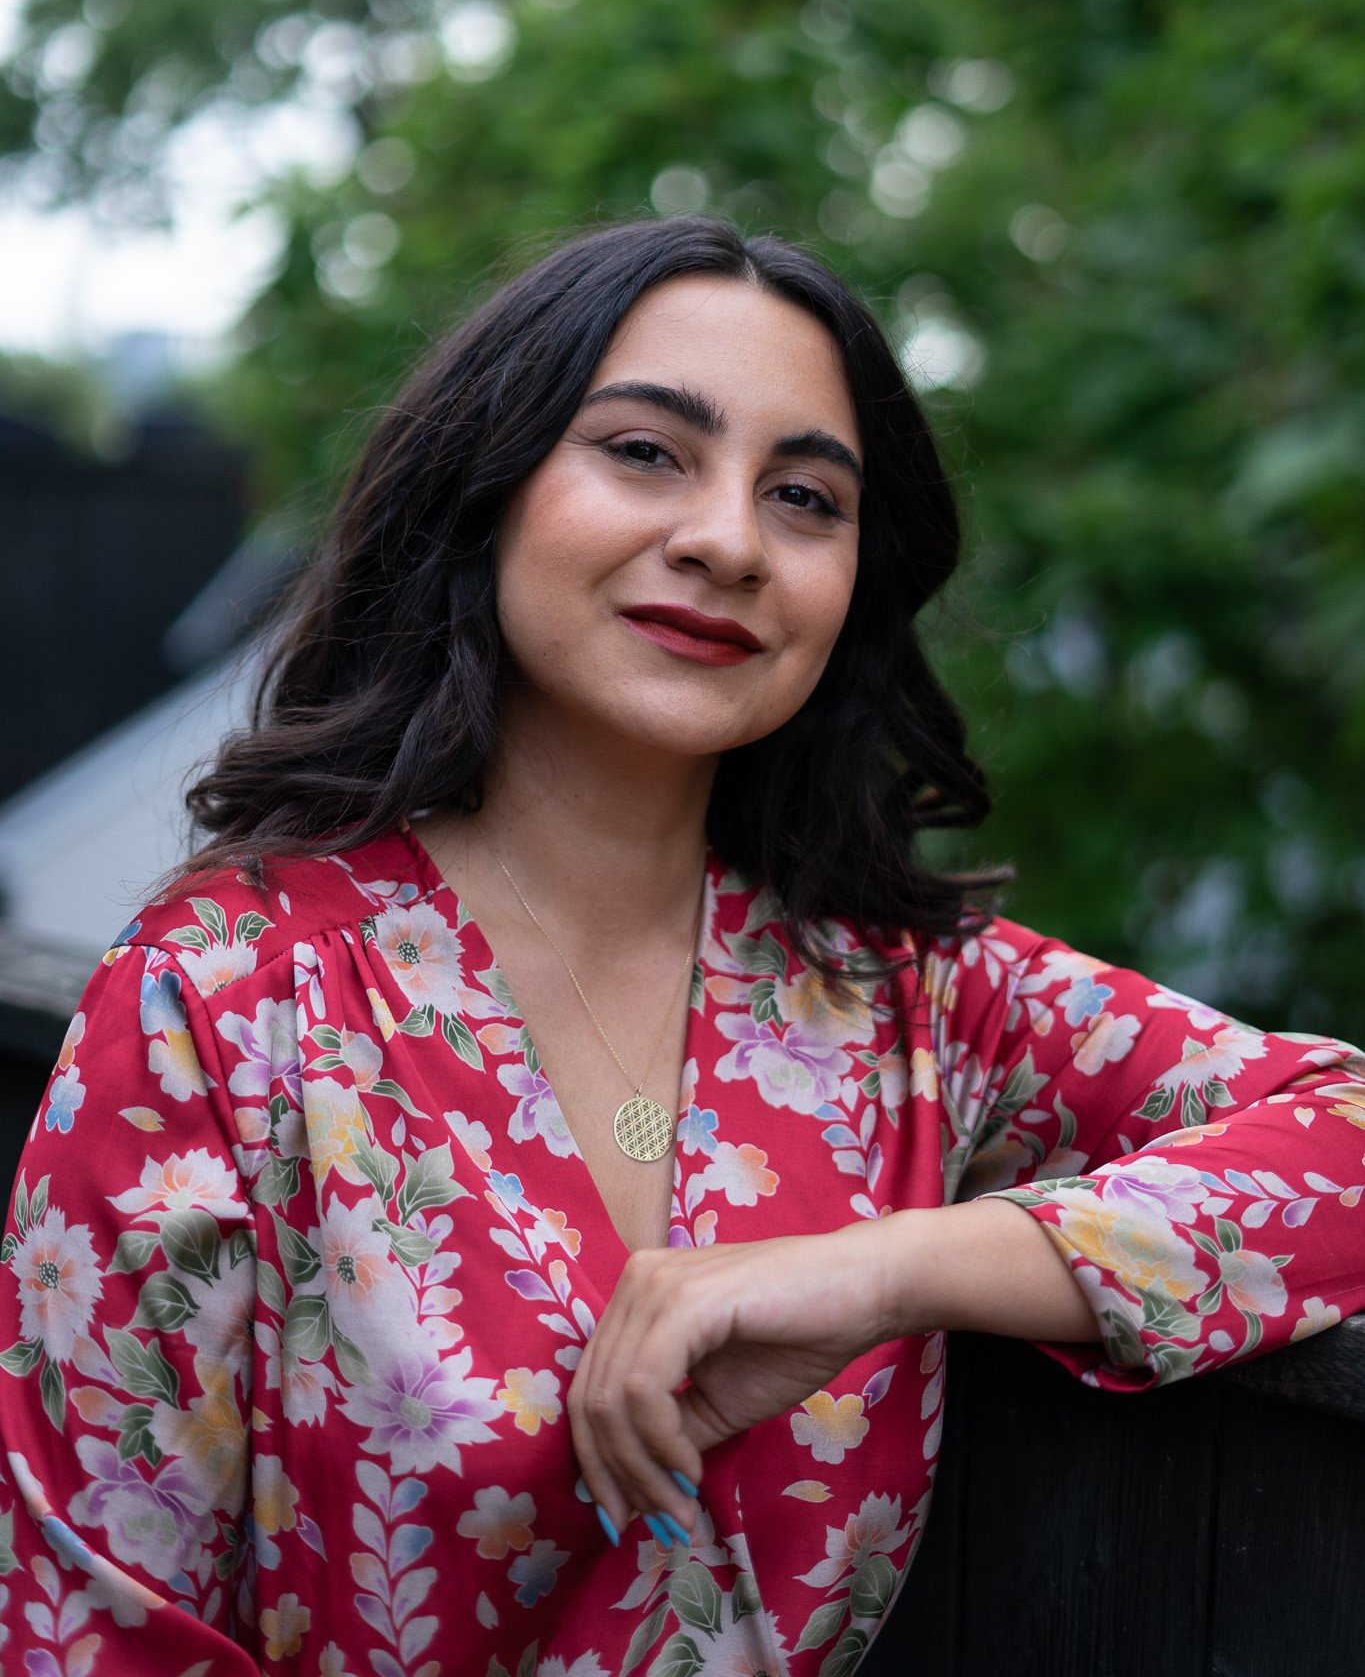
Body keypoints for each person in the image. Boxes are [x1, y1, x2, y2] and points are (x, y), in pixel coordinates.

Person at [1, 215, 1362, 1677]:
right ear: (490, 490)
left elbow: (1340, 1135)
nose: (725, 540)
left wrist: (890, 1268)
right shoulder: (227, 994)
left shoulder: (912, 1002)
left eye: (803, 497)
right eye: (646, 452)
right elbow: (96, 1629)